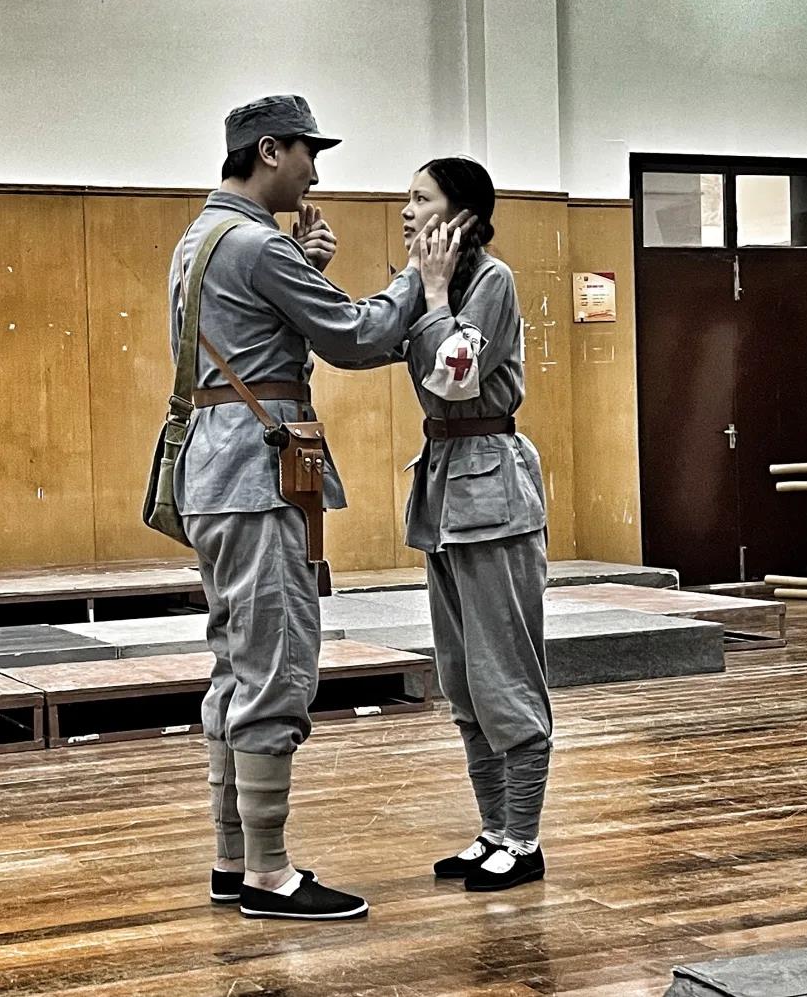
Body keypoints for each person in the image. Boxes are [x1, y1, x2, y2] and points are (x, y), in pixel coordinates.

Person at [169, 95, 465, 921]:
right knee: (277, 667)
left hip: (214, 475)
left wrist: (301, 264)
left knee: (236, 667)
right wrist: (419, 277)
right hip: (258, 478)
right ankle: (269, 873)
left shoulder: (203, 236)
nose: (316, 173)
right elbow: (354, 336)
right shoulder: (259, 245)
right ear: (270, 150)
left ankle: (234, 858)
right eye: (308, 153)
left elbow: (256, 327)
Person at [397, 157, 552, 892]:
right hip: (443, 492)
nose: (405, 211)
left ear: (460, 213)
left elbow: (454, 376)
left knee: (504, 674)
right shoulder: (425, 280)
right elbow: (364, 338)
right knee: (461, 678)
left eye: (419, 198)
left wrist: (431, 294)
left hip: (492, 490)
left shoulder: (493, 279)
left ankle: (524, 838)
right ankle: (493, 827)